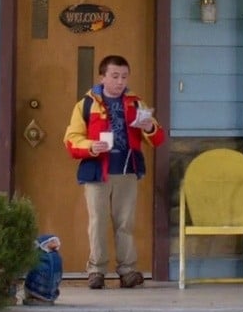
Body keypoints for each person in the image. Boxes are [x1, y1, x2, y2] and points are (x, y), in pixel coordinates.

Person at [63, 54, 166, 289]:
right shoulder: (85, 104)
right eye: (115, 76)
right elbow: (71, 139)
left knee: (125, 223)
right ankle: (96, 271)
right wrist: (91, 146)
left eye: (124, 77)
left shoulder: (136, 104)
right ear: (102, 77)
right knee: (97, 222)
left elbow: (157, 138)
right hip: (97, 171)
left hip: (127, 170)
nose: (120, 82)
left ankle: (127, 270)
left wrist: (149, 126)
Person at [22, 234, 63, 305]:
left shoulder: (51, 256)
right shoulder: (49, 256)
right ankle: (39, 295)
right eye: (52, 241)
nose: (56, 243)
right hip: (42, 291)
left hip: (39, 290)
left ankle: (39, 295)